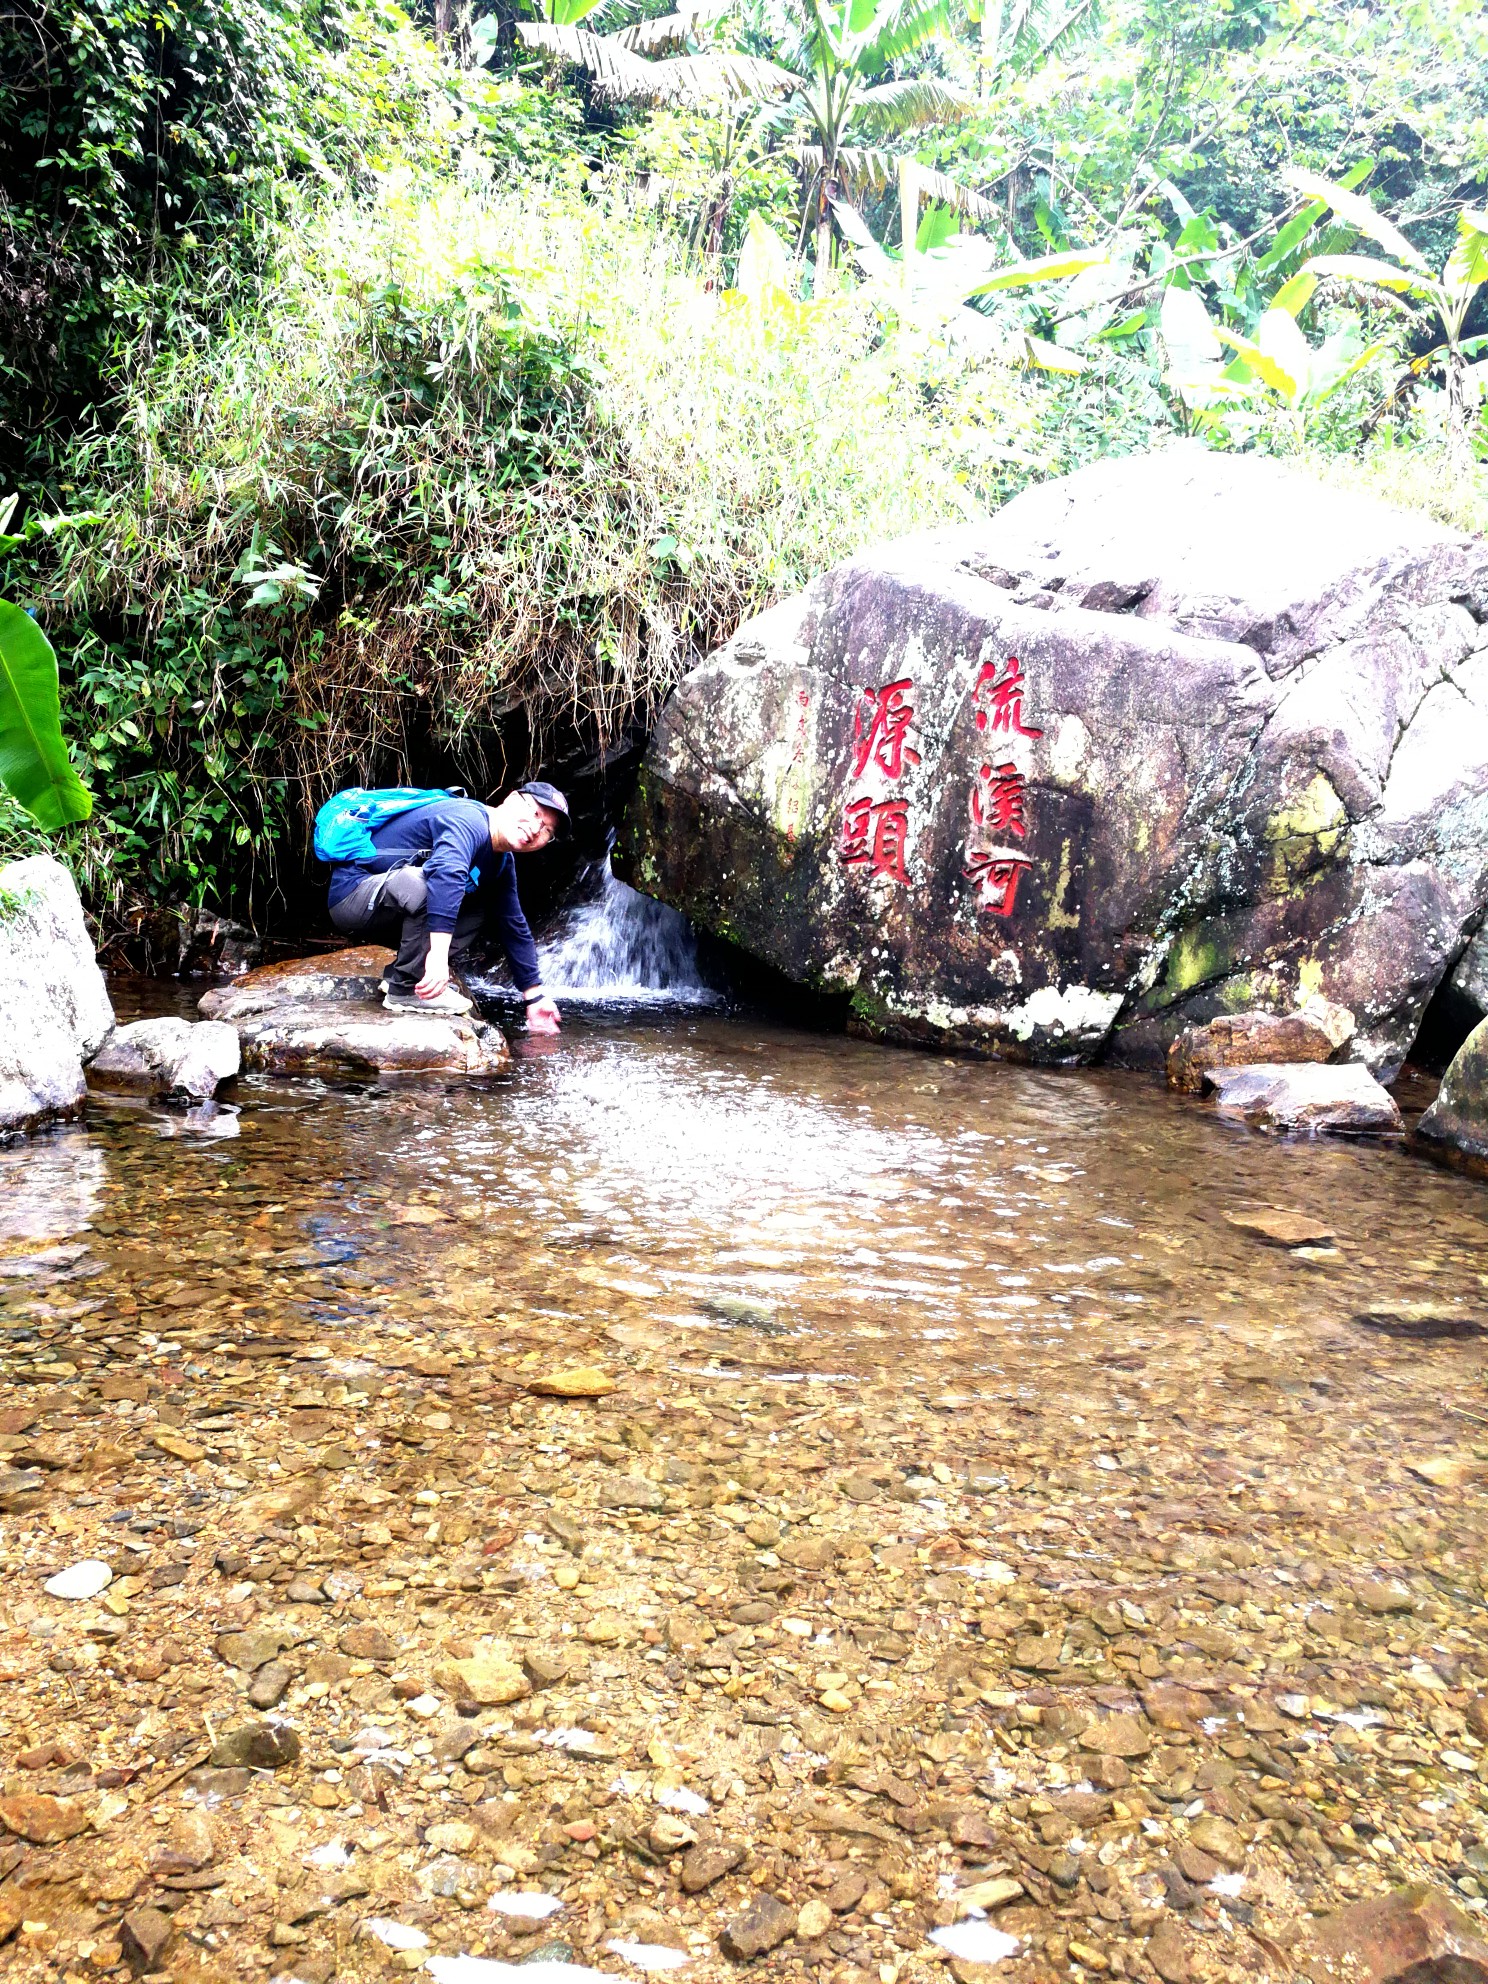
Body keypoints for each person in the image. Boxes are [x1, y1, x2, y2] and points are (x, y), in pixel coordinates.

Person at [327, 782, 568, 1031]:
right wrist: (438, 958)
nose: (535, 828)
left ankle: (404, 976)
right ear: (512, 800)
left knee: (480, 907)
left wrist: (535, 996)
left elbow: (513, 926)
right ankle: (405, 988)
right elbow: (446, 874)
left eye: (547, 830)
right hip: (352, 895)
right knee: (430, 884)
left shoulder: (501, 863)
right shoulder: (469, 820)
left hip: (391, 907)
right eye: (536, 813)